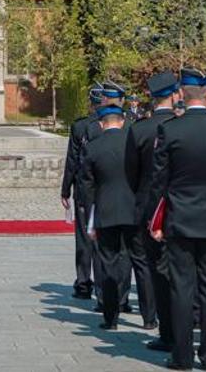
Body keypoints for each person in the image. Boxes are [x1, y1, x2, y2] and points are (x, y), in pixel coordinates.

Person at [149, 68, 206, 372]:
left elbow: (159, 181)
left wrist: (156, 220)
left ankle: (182, 356)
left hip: (180, 219)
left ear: (182, 95)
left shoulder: (171, 130)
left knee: (181, 289)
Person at [76, 97, 136, 330]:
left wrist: (90, 216)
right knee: (133, 260)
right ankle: (149, 315)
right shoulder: (134, 143)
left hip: (105, 212)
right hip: (132, 211)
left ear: (101, 124)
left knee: (108, 262)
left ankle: (110, 317)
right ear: (122, 121)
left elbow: (86, 186)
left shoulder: (93, 147)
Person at [128, 75, 179, 341]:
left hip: (147, 206)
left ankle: (151, 317)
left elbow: (131, 173)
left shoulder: (139, 129)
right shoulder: (181, 126)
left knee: (147, 265)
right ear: (174, 95)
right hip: (179, 207)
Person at [61, 88, 105, 301]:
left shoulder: (81, 126)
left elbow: (72, 160)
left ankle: (83, 283)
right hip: (108, 189)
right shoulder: (118, 125)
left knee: (84, 238)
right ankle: (104, 287)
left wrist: (65, 189)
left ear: (91, 103)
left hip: (84, 189)